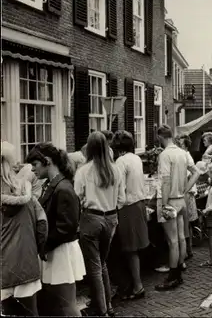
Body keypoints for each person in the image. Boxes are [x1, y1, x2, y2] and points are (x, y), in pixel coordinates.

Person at [24, 142, 86, 316]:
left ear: (48, 162)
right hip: (55, 250)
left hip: (61, 251)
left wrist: (44, 244)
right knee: (60, 303)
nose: (32, 170)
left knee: (67, 305)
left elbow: (67, 228)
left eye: (35, 165)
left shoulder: (63, 188)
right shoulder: (51, 185)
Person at [74, 132, 125, 316]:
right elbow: (122, 199)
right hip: (111, 218)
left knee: (94, 266)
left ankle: (101, 310)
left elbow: (77, 197)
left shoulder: (83, 170)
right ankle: (108, 305)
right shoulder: (115, 170)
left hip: (92, 218)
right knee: (101, 263)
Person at [1, 141, 48, 317]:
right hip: (26, 263)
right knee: (31, 312)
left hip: (2, 267)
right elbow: (42, 225)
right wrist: (38, 250)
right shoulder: (26, 191)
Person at [155, 125, 200, 291]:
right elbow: (196, 172)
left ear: (161, 137)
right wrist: (185, 189)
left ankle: (173, 277)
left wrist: (165, 203)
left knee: (172, 240)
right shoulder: (182, 153)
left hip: (170, 200)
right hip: (181, 200)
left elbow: (165, 181)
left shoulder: (165, 155)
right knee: (180, 237)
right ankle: (179, 268)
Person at [112, 131, 149, 300]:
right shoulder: (135, 158)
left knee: (129, 249)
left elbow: (118, 188)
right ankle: (134, 283)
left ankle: (137, 285)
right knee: (133, 248)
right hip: (139, 203)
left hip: (127, 207)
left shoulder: (120, 161)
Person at [176, 134, 199, 264]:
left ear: (184, 144)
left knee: (185, 223)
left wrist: (185, 189)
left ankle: (185, 252)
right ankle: (188, 250)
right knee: (187, 223)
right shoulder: (185, 155)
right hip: (189, 192)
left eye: (179, 143)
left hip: (187, 193)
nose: (178, 144)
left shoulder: (185, 156)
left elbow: (188, 174)